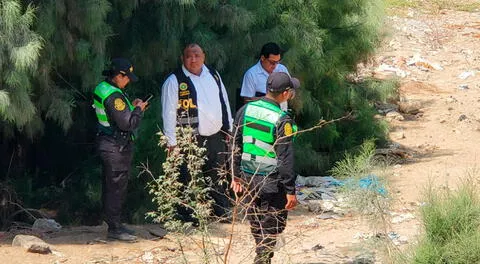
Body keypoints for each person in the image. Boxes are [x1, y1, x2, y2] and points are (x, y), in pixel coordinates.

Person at [231, 72, 299, 264]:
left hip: (247, 178)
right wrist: (290, 190)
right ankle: (262, 260)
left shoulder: (245, 110)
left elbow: (235, 144)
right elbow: (285, 158)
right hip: (271, 181)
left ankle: (262, 257)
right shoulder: (282, 119)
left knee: (257, 223)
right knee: (272, 227)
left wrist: (235, 176)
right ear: (285, 94)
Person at [161, 43, 233, 221]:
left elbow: (224, 101)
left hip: (215, 135)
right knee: (185, 177)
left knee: (217, 175)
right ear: (182, 59)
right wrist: (171, 142)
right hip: (188, 138)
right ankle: (185, 217)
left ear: (204, 56)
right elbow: (168, 112)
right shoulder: (174, 80)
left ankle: (220, 212)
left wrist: (229, 128)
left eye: (197, 55)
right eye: (189, 56)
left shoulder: (214, 75)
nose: (193, 60)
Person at [93, 58, 148, 241]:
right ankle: (115, 229)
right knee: (116, 188)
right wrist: (138, 110)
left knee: (110, 186)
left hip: (107, 143)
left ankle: (113, 223)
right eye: (127, 78)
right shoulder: (115, 96)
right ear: (119, 75)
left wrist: (131, 106)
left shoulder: (103, 87)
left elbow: (115, 114)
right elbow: (128, 124)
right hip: (117, 146)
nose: (129, 81)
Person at [239, 42, 290, 110]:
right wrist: (269, 99)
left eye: (277, 62)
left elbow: (292, 90)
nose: (275, 66)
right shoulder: (251, 74)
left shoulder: (282, 69)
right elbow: (247, 100)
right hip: (260, 116)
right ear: (263, 58)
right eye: (272, 62)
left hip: (281, 114)